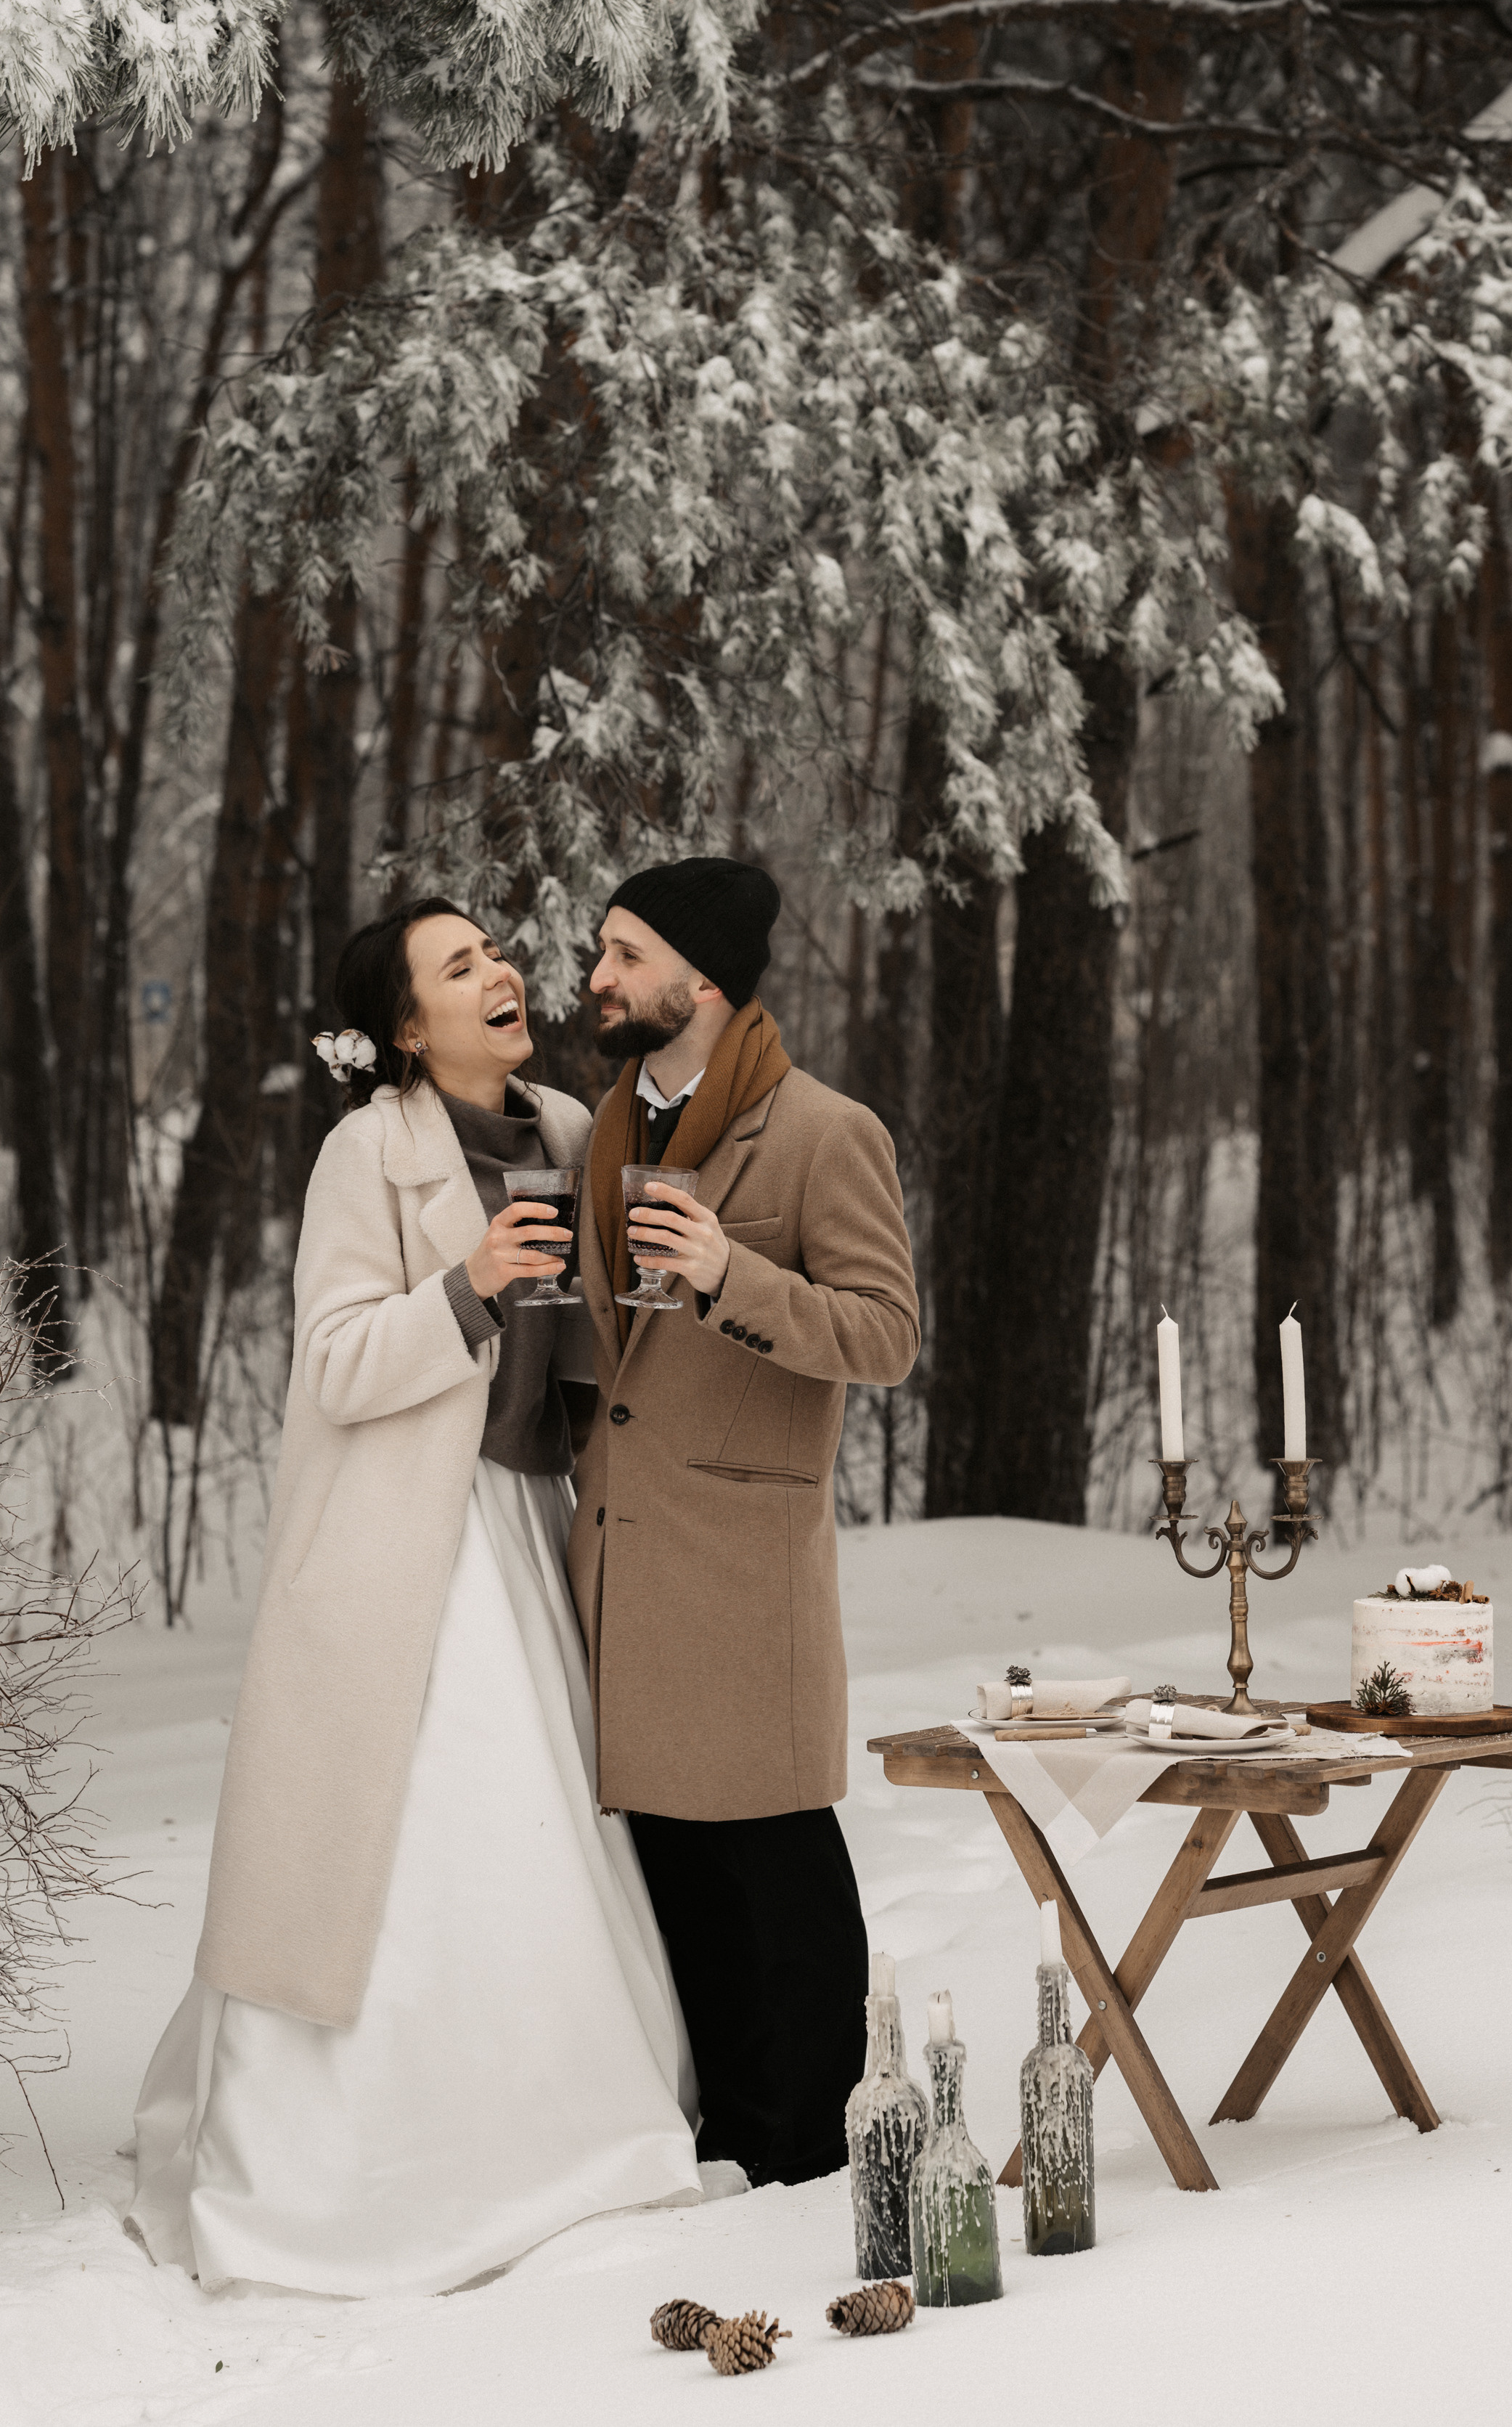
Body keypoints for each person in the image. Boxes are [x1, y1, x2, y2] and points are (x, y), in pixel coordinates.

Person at [129, 897, 704, 2297]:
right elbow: (332, 1363)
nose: (500, 971)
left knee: (545, 1834)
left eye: (493, 951)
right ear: (405, 1027)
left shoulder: (568, 1128)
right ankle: (354, 2162)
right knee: (424, 1832)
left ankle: (566, 2126)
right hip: (407, 1550)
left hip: (530, 1527)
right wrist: (468, 1285)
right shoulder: (366, 1153)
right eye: (460, 967)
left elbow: (591, 1345)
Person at [568, 856, 920, 2189]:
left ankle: (821, 2149)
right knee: (671, 1866)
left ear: (701, 980)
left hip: (743, 1562)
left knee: (775, 1862)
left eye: (623, 953)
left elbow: (885, 1338)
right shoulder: (602, 1131)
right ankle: (726, 2141)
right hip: (618, 1554)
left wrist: (731, 1274)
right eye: (601, 950)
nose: (598, 976)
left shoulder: (826, 1132)